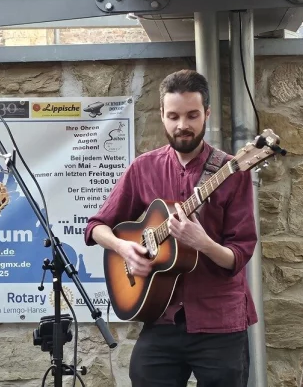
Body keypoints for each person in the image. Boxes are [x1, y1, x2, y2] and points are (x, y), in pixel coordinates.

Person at [85, 69, 257, 387]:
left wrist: (203, 243)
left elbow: (239, 255)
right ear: (162, 115)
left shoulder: (233, 171)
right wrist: (124, 248)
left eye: (192, 115)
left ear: (206, 113)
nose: (182, 126)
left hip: (219, 320)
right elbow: (96, 226)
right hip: (161, 316)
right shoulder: (143, 168)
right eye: (174, 116)